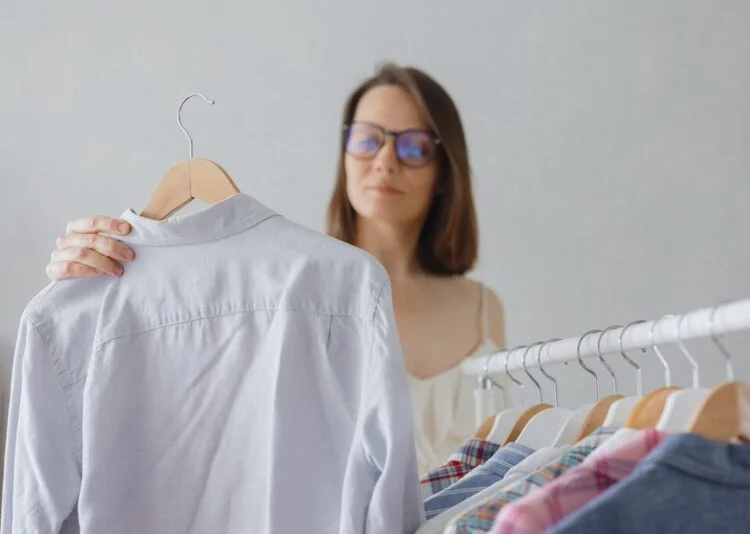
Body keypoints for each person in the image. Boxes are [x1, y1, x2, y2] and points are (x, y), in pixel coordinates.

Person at [45, 63, 507, 476]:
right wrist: (80, 287)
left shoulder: (484, 310)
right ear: (344, 154)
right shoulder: (286, 287)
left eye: (413, 147)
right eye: (368, 139)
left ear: (445, 169)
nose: (385, 161)